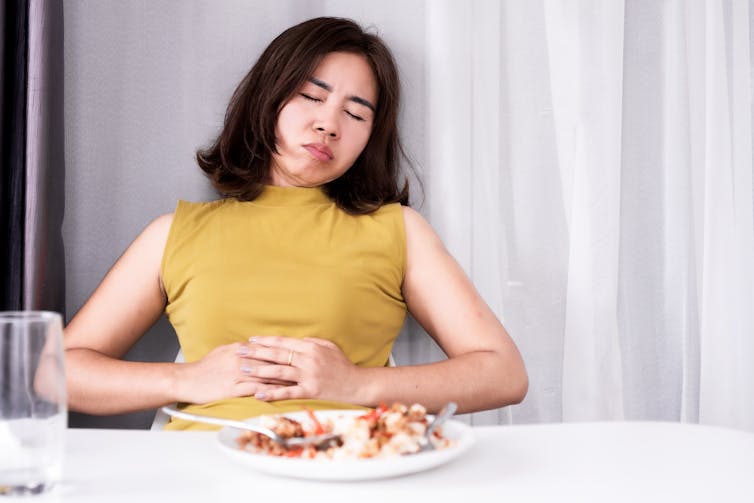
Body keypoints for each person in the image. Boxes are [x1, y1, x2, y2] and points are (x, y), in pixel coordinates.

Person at [63, 17, 528, 430]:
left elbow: (503, 372)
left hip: (347, 471)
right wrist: (186, 378)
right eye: (311, 96)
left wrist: (356, 384)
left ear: (369, 137)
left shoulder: (399, 230)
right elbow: (54, 373)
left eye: (355, 113)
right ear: (268, 99)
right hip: (203, 474)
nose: (328, 124)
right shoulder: (173, 233)